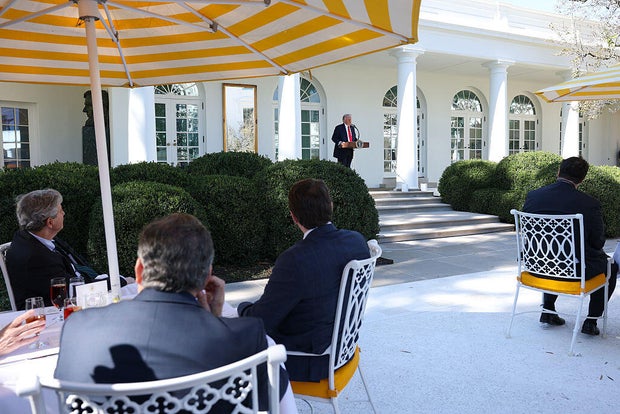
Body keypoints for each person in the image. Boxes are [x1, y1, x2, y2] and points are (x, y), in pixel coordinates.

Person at [54, 213, 291, 412]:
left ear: (139, 271)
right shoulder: (246, 339)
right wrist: (214, 321)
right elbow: (274, 406)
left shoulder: (77, 327)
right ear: (207, 276)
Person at [237, 178, 370, 382]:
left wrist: (241, 308)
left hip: (310, 361)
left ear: (293, 217)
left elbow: (261, 321)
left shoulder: (295, 259)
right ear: (330, 206)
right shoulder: (357, 241)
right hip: (345, 351)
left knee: (231, 348)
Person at [523, 156, 619, 336]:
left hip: (536, 266)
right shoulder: (589, 204)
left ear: (558, 172)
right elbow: (598, 242)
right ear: (582, 179)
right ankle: (591, 321)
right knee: (611, 267)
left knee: (553, 255)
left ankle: (548, 311)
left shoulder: (533, 196)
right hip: (574, 271)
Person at [6, 189, 128, 310]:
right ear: (50, 222)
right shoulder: (35, 257)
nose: (64, 213)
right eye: (60, 210)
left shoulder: (33, 238)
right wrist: (120, 281)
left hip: (76, 295)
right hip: (52, 313)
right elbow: (74, 291)